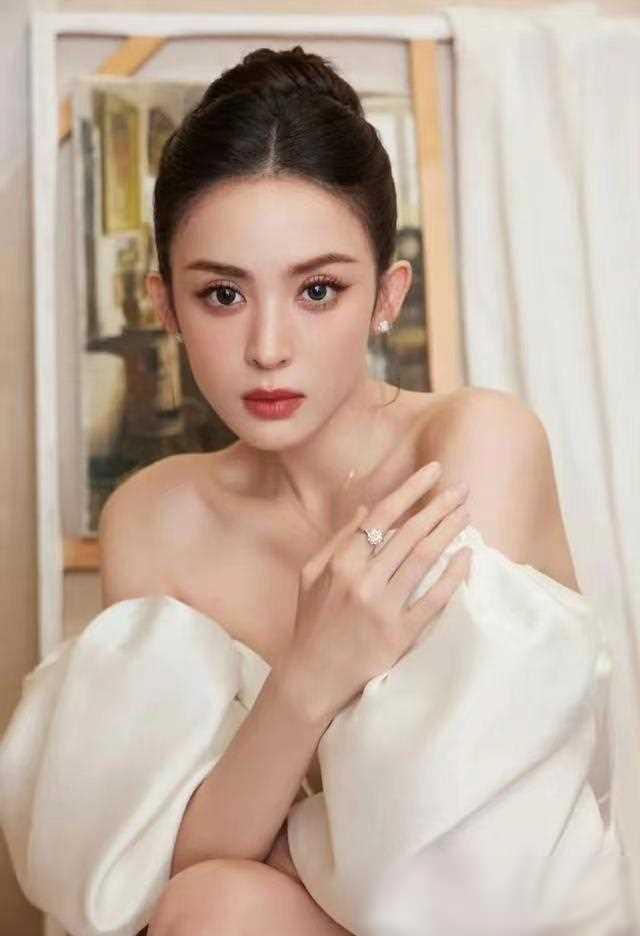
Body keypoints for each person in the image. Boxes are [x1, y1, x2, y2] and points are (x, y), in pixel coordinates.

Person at [0, 45, 630, 936]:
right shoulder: (154, 518)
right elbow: (150, 878)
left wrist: (257, 824)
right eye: (223, 295)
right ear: (166, 306)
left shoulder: (470, 448)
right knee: (209, 907)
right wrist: (309, 677)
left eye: (319, 290)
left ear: (387, 295)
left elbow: (459, 862)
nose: (268, 348)